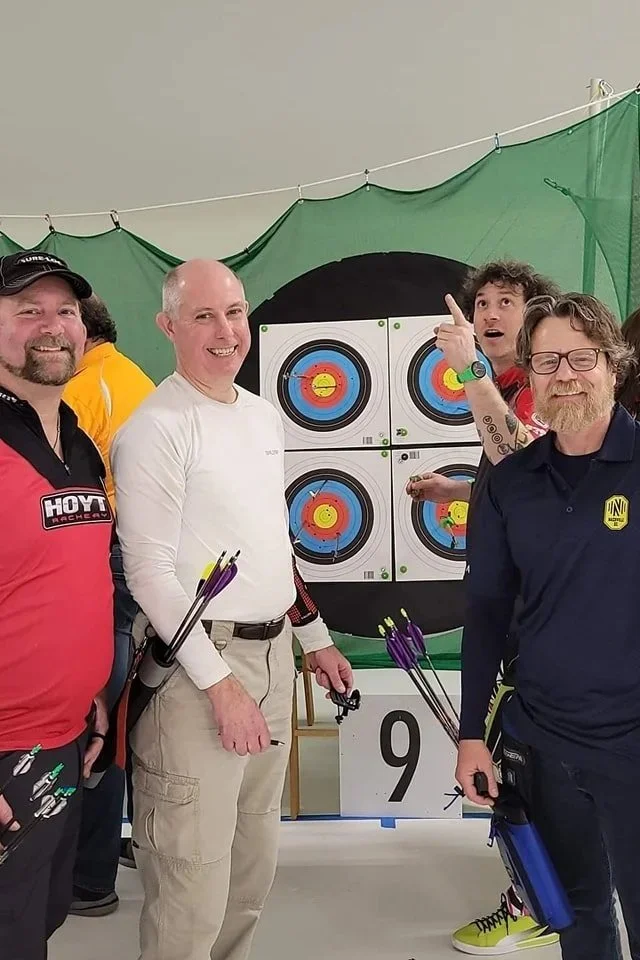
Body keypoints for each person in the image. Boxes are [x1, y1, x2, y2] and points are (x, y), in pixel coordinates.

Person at [111, 259, 353, 960]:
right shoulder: (157, 427)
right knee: (192, 879)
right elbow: (149, 575)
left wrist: (316, 638)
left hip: (274, 655)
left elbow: (271, 542)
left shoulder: (260, 414)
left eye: (235, 312)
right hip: (199, 670)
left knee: (251, 867)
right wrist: (221, 686)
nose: (226, 332)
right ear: (168, 327)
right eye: (204, 316)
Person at [457, 293, 640, 960]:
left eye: (582, 357)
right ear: (529, 377)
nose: (565, 374)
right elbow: (485, 610)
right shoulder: (514, 485)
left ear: (613, 367)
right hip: (545, 747)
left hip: (633, 745)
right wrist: (471, 734)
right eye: (547, 361)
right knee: (580, 919)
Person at [406, 260, 560, 955]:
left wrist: (467, 371)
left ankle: (537, 901)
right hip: (521, 607)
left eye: (507, 301)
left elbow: (525, 468)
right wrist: (457, 496)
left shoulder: (537, 385)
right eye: (483, 303)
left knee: (530, 761)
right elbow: (517, 493)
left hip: (546, 616)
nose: (491, 313)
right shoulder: (504, 387)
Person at [0, 251, 114, 959]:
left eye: (64, 311)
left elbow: (69, 574)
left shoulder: (77, 440)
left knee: (37, 923)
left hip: (65, 739)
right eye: (26, 311)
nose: (52, 327)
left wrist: (89, 686)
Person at [61, 294, 156, 916]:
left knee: (87, 710)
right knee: (115, 712)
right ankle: (106, 851)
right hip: (143, 558)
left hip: (104, 556)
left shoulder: (80, 390)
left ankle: (86, 876)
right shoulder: (135, 377)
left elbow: (60, 493)